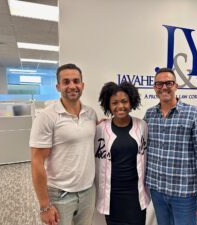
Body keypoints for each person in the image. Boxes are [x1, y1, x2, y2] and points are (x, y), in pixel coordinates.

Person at [144, 68, 197, 225]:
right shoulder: (149, 115)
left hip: (184, 194)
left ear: (176, 86)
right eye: (159, 84)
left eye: (168, 83)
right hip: (157, 190)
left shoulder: (194, 114)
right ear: (154, 88)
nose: (164, 87)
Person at [29, 63, 97, 225]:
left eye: (76, 81)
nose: (72, 86)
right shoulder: (47, 116)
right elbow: (37, 161)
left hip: (88, 192)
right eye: (66, 82)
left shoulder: (91, 113)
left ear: (82, 85)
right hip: (60, 195)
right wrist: (44, 206)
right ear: (58, 87)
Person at [95, 81, 150, 225]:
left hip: (135, 194)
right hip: (112, 195)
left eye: (124, 101)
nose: (120, 106)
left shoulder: (142, 126)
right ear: (108, 105)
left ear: (131, 102)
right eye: (115, 103)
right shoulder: (100, 129)